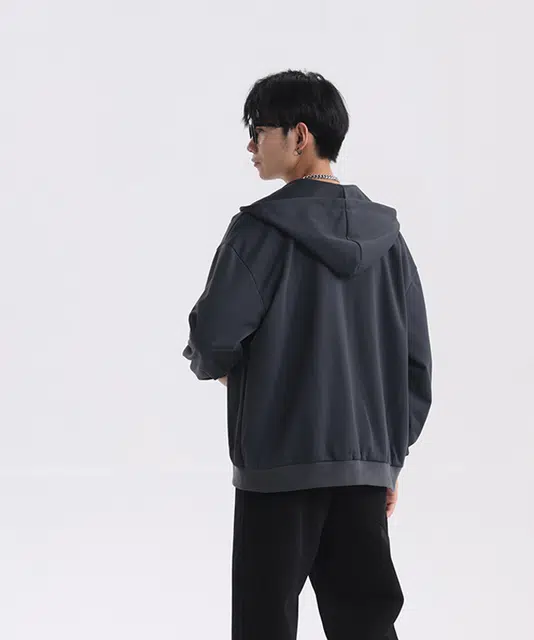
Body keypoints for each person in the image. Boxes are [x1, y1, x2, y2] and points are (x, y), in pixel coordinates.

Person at [182, 69, 433, 640]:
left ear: (299, 136)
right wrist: (387, 458)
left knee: (264, 624)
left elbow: (213, 336)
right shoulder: (390, 241)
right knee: (366, 625)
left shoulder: (258, 231)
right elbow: (415, 365)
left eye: (258, 130)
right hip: (364, 471)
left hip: (277, 468)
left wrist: (227, 373)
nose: (251, 145)